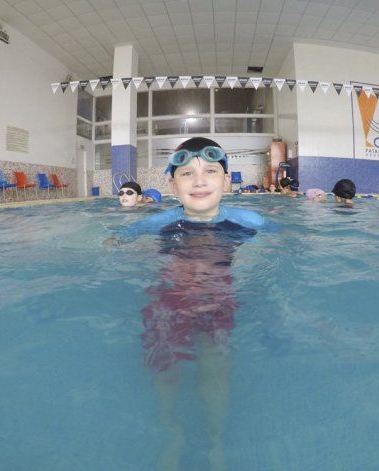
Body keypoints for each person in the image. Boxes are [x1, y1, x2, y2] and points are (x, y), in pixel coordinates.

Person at [108, 136, 269, 469]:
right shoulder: (156, 223)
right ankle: (172, 432)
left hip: (218, 300)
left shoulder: (250, 222)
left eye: (210, 171)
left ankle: (215, 439)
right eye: (186, 174)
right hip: (169, 300)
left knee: (216, 367)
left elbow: (287, 240)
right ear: (172, 184)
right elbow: (115, 240)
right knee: (165, 368)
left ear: (226, 180)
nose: (199, 181)